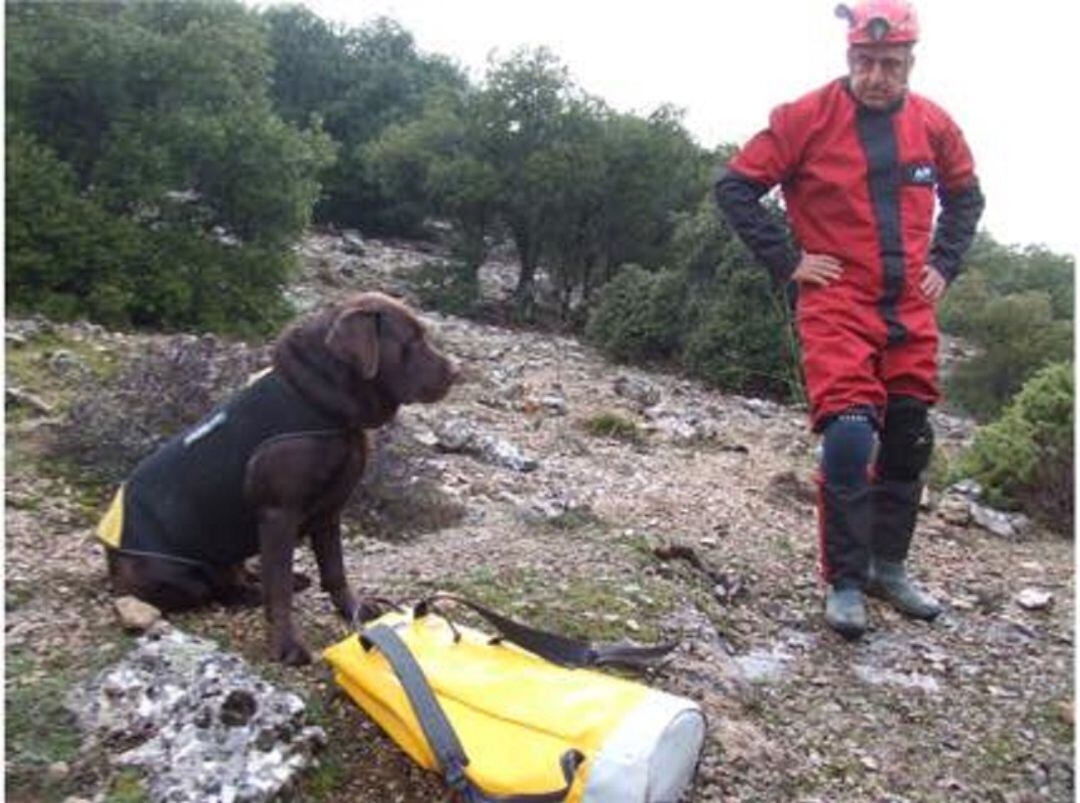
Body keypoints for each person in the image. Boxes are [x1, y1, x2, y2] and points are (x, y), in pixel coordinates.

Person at [714, 0, 985, 639]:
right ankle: (843, 580)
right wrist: (787, 260)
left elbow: (967, 196)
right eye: (866, 62)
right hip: (839, 301)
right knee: (849, 438)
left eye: (891, 64)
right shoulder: (805, 117)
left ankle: (888, 567)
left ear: (910, 62)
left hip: (910, 306)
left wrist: (945, 261)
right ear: (849, 58)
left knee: (910, 436)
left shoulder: (934, 124)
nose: (877, 76)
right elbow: (735, 187)